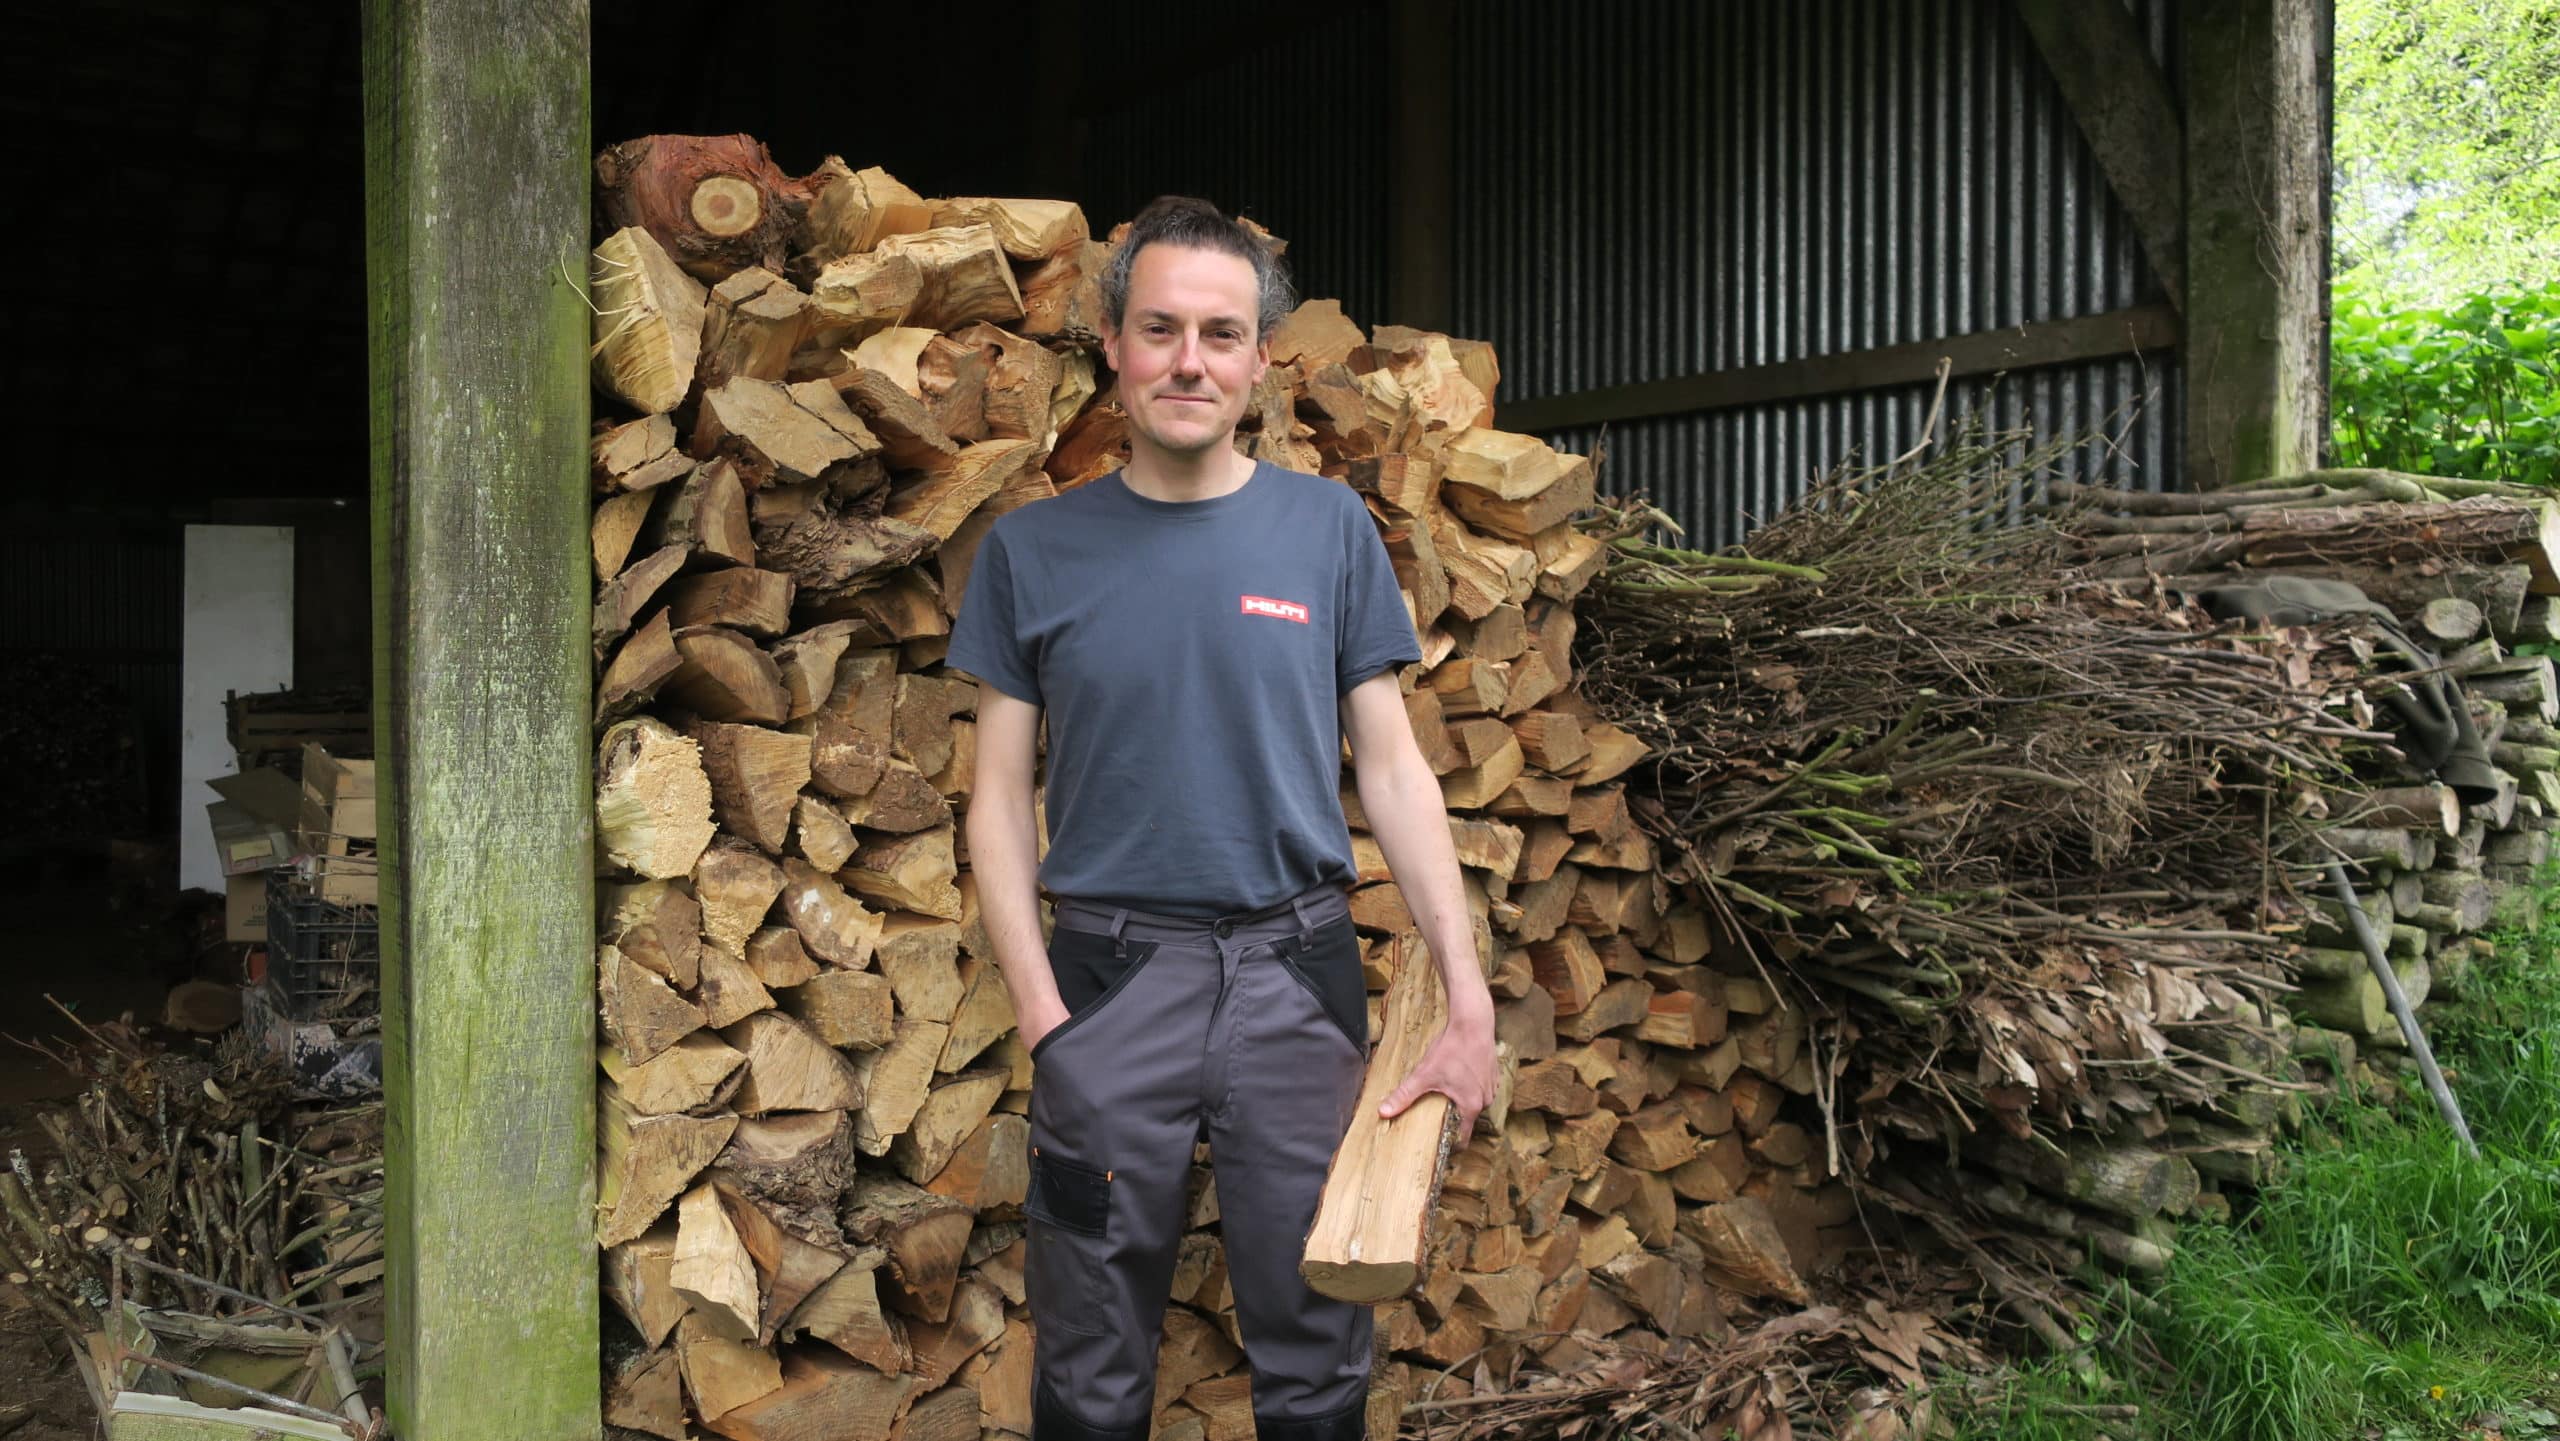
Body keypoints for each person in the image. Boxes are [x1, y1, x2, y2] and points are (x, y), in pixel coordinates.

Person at [948, 195, 1498, 1441]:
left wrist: (1466, 999)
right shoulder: (1032, 552)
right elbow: (997, 798)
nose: (1188, 361)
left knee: (1316, 1357)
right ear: (1112, 344)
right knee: (1089, 1366)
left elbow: (1393, 770)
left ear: (1260, 359)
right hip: (1108, 985)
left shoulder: (1327, 530)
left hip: (1294, 983)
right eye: (1159, 330)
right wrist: (1042, 1016)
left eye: (1219, 334)